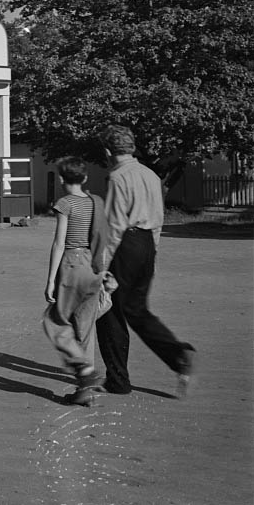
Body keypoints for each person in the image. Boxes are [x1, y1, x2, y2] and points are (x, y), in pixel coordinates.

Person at [95, 124, 195, 397]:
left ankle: (117, 379)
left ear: (107, 151)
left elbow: (114, 225)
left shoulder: (117, 177)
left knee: (108, 311)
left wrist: (102, 267)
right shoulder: (151, 175)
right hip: (147, 242)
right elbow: (159, 219)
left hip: (125, 243)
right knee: (137, 310)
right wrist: (153, 252)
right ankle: (177, 355)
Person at [42, 157, 113, 405]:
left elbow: (59, 242)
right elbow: (102, 240)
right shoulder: (97, 202)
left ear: (61, 179)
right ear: (84, 178)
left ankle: (84, 371)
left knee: (54, 321)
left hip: (72, 264)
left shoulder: (64, 204)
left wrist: (50, 280)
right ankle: (85, 391)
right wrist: (102, 273)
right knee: (85, 328)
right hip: (93, 265)